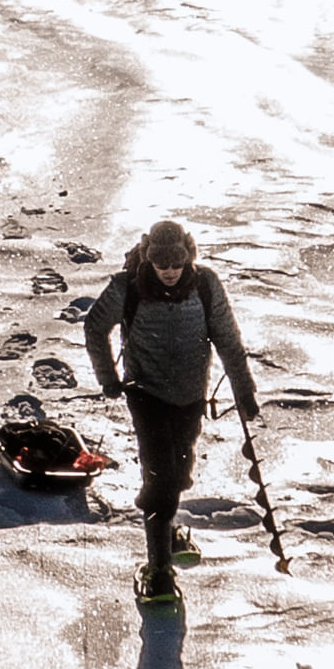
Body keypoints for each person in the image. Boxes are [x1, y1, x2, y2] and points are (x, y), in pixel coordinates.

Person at [83, 218, 259, 608]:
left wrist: (244, 391)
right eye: (161, 264)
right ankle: (159, 571)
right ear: (149, 260)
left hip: (190, 397)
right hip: (146, 395)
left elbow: (228, 340)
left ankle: (169, 529)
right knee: (161, 479)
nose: (168, 271)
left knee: (179, 472)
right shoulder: (127, 287)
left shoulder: (206, 286)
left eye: (175, 263)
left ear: (188, 258)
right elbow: (95, 327)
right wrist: (109, 378)